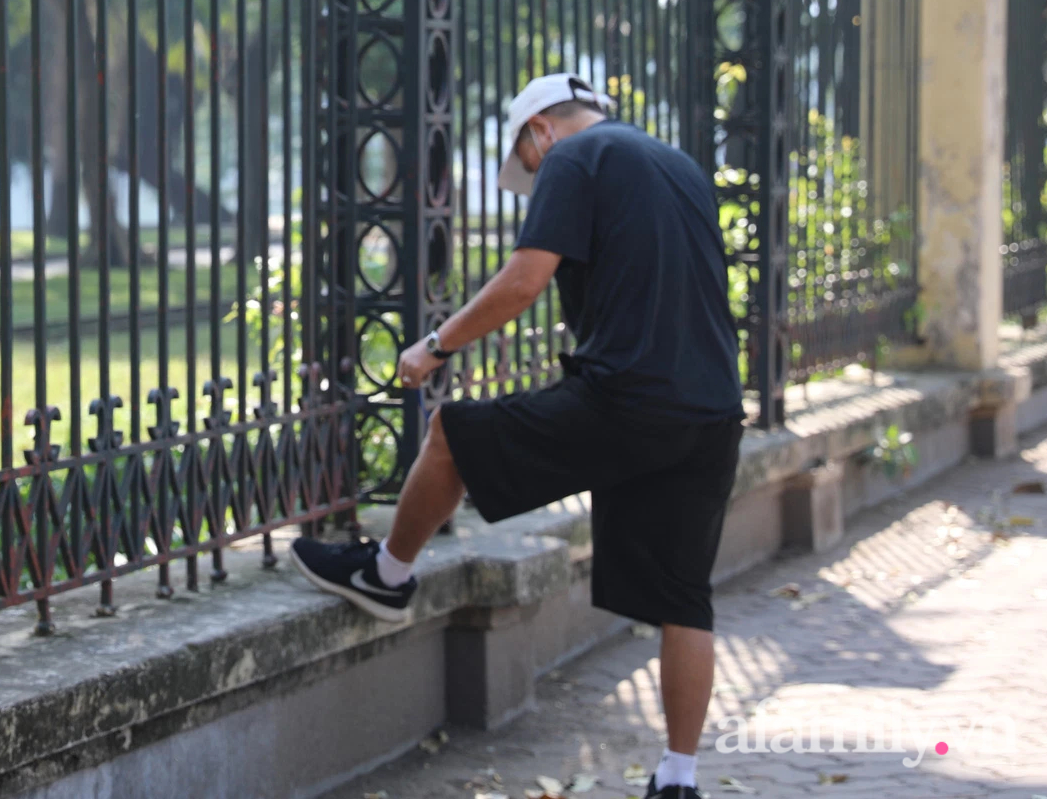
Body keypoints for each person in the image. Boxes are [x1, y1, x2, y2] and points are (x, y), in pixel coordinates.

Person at [291, 72, 746, 799]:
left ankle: (387, 573)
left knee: (452, 433)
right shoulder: (677, 164)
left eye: (526, 166)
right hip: (713, 408)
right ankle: (679, 778)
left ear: (540, 131)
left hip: (630, 397)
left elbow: (525, 280)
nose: (534, 181)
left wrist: (434, 345)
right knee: (685, 599)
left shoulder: (572, 157)